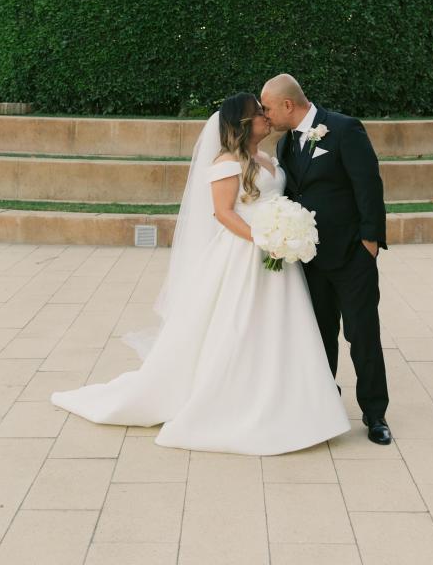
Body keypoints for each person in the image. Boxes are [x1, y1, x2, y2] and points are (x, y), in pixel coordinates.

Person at [50, 92, 350, 455]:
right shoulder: (227, 162)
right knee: (239, 326)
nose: (266, 116)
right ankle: (236, 400)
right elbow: (223, 213)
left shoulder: (270, 158)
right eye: (259, 113)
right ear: (243, 124)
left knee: (281, 327)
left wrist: (286, 234)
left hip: (278, 258)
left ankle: (293, 402)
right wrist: (263, 238)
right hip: (244, 256)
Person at [260, 74, 392, 445]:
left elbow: (369, 185)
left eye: (268, 108)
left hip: (352, 255)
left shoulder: (344, 129)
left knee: (362, 335)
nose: (265, 115)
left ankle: (375, 414)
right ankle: (324, 406)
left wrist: (370, 242)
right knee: (319, 335)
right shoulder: (285, 143)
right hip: (310, 258)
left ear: (288, 104)